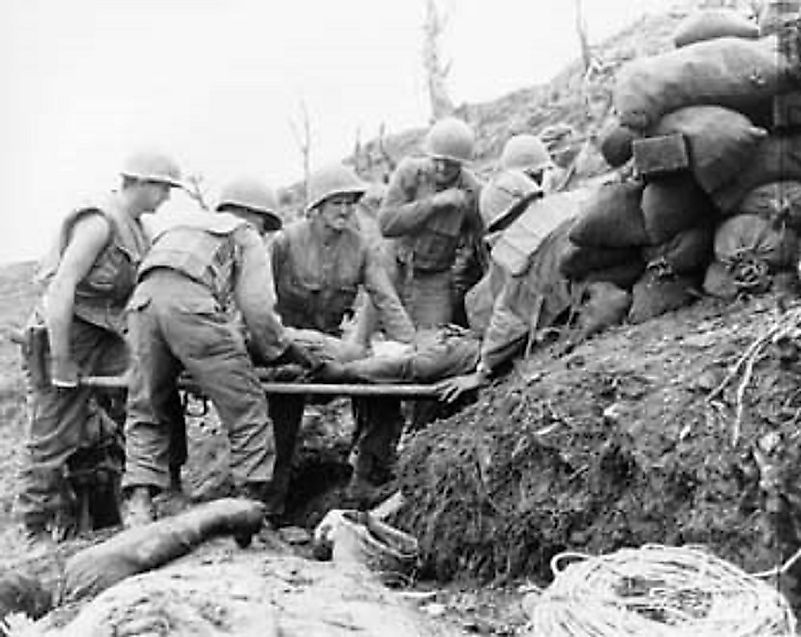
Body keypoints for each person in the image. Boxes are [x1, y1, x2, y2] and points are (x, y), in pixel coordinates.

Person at [121, 177, 317, 527]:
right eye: (265, 225)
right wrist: (278, 350)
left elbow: (155, 284)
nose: (265, 232)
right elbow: (258, 309)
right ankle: (250, 508)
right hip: (192, 309)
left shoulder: (177, 227)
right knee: (247, 407)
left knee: (146, 407)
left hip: (142, 306)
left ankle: (139, 504)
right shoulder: (244, 234)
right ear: (254, 214)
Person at [16, 150, 183, 547]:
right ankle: (36, 529)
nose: (165, 198)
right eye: (162, 188)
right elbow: (61, 290)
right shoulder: (98, 222)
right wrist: (61, 359)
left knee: (134, 408)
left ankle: (125, 505)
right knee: (52, 432)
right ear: (139, 182)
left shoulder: (139, 230)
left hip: (109, 337)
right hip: (68, 333)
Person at [269, 163, 414, 516]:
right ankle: (271, 505)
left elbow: (385, 299)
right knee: (281, 419)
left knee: (381, 382)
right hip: (286, 351)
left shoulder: (360, 247)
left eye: (351, 203)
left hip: (332, 352)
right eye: (338, 203)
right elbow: (258, 303)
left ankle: (365, 478)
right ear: (316, 208)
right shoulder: (284, 243)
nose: (346, 211)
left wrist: (410, 348)